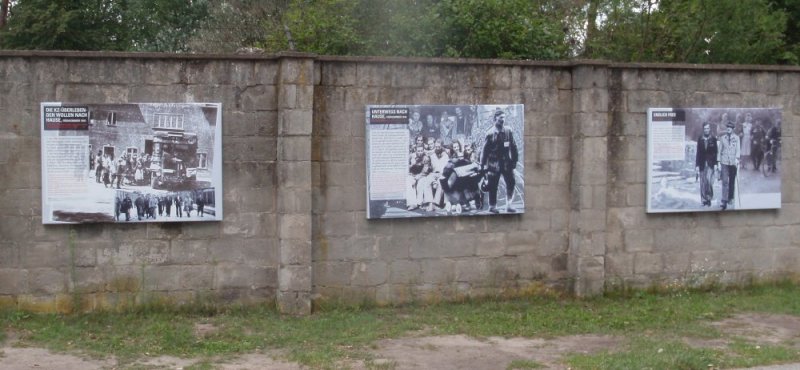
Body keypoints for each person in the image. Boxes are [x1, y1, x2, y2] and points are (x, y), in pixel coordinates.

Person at [480, 109, 519, 213]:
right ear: (495, 119)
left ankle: (509, 205)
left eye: (504, 117)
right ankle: (492, 207)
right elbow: (484, 152)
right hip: (493, 164)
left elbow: (514, 147)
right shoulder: (489, 134)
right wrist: (482, 165)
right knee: (493, 186)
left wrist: (514, 160)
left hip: (507, 163)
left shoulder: (508, 131)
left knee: (511, 182)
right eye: (501, 118)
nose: (503, 120)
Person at [717, 120, 740, 210]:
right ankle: (724, 200)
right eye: (727, 128)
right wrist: (718, 162)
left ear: (733, 129)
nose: (728, 129)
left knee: (731, 181)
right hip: (724, 162)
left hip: (733, 162)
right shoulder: (723, 138)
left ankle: (731, 197)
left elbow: (738, 149)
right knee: (725, 181)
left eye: (730, 128)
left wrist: (737, 159)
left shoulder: (737, 138)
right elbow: (719, 151)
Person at [695, 122, 718, 207]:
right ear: (703, 129)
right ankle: (703, 200)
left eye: (708, 128)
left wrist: (716, 164)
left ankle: (709, 198)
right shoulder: (700, 139)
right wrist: (697, 165)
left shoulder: (713, 139)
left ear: (710, 129)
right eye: (705, 129)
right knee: (702, 182)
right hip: (701, 163)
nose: (706, 130)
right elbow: (698, 153)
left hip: (711, 163)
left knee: (708, 180)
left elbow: (715, 152)